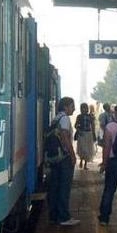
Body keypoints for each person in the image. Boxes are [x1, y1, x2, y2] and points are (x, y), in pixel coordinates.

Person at [47, 97, 80, 226]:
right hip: (63, 157)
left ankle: (54, 215)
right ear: (66, 106)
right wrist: (72, 155)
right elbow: (65, 138)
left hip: (55, 157)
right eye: (72, 106)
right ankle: (64, 217)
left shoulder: (56, 118)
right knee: (64, 187)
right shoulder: (65, 119)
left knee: (55, 186)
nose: (74, 109)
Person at [75, 103, 96, 170]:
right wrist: (78, 130)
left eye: (85, 108)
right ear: (81, 109)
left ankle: (85, 164)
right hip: (82, 134)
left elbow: (93, 126)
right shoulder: (79, 116)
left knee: (87, 150)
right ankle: (81, 160)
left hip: (88, 134)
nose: (84, 109)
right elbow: (75, 125)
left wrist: (93, 134)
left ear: (87, 109)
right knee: (82, 149)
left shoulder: (90, 116)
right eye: (83, 108)